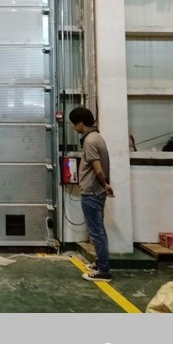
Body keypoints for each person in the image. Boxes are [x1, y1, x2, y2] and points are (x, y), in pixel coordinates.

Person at [69, 107, 114, 282]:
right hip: (97, 192)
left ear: (81, 123)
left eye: (74, 124)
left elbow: (97, 169)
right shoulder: (97, 137)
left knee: (96, 232)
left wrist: (104, 184)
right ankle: (100, 264)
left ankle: (103, 271)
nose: (73, 127)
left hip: (92, 192)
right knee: (98, 230)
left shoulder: (90, 141)